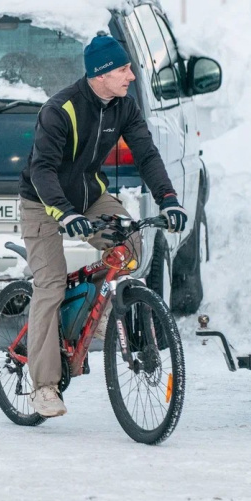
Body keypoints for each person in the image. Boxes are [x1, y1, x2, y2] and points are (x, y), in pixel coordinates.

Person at [17, 34, 188, 418]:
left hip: (88, 197)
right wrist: (65, 213)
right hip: (43, 203)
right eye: (124, 69)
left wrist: (168, 199)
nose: (131, 75)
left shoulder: (123, 107)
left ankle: (94, 316)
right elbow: (42, 170)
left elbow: (146, 153)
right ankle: (44, 385)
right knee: (50, 284)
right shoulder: (60, 110)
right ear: (100, 74)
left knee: (129, 245)